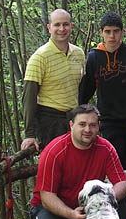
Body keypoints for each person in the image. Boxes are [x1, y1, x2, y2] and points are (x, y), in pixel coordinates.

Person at [29, 104, 126, 219]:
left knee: (123, 205)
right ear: (71, 125)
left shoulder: (105, 148)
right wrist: (71, 214)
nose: (87, 130)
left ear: (98, 126)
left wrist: (103, 201)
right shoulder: (55, 151)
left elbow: (122, 184)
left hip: (90, 207)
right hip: (56, 209)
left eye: (92, 125)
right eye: (82, 124)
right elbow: (47, 197)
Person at [78, 12, 126, 171]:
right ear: (101, 32)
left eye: (116, 31)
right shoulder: (94, 57)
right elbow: (86, 89)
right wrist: (78, 113)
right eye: (108, 31)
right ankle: (121, 195)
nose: (112, 36)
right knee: (118, 164)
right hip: (109, 120)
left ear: (122, 32)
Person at [21, 9, 85, 151]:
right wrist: (29, 133)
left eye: (65, 24)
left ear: (71, 27)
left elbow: (80, 88)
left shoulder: (79, 54)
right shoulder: (40, 57)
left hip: (74, 119)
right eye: (57, 25)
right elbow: (29, 97)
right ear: (49, 28)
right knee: (55, 167)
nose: (61, 29)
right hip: (49, 121)